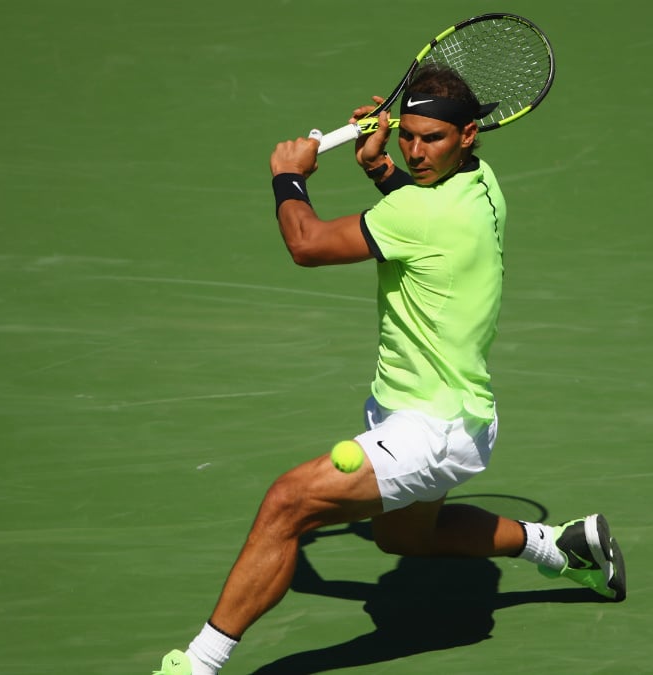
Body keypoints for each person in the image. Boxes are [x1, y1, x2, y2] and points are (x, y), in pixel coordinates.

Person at [153, 64, 626, 675]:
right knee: (404, 540)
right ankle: (563, 547)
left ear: (468, 135)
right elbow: (413, 205)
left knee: (286, 503)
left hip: (433, 428)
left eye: (432, 139)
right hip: (433, 409)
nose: (416, 151)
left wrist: (289, 176)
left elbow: (308, 244)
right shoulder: (481, 185)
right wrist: (380, 169)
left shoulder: (421, 215)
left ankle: (199, 663)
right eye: (409, 136)